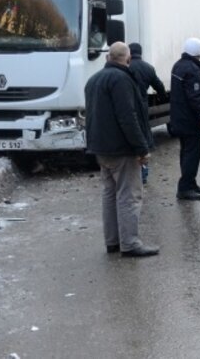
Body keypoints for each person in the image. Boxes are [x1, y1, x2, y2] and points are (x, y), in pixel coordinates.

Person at [84, 41, 158, 257]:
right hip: (122, 149)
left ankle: (113, 242)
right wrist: (141, 148)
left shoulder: (93, 80)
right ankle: (131, 243)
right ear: (127, 59)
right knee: (129, 195)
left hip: (101, 148)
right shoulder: (122, 80)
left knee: (109, 195)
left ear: (108, 58)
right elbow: (128, 117)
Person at [169, 37, 200, 201]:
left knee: (185, 152)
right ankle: (185, 188)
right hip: (190, 120)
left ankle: (191, 183)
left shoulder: (178, 65)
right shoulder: (192, 69)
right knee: (192, 155)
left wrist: (199, 79)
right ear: (199, 53)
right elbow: (195, 96)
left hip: (179, 118)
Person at [128, 42, 166, 184]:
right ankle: (143, 173)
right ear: (140, 53)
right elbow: (159, 85)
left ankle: (130, 172)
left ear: (129, 53)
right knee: (143, 136)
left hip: (127, 105)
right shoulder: (148, 68)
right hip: (142, 106)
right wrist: (162, 97)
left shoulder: (126, 67)